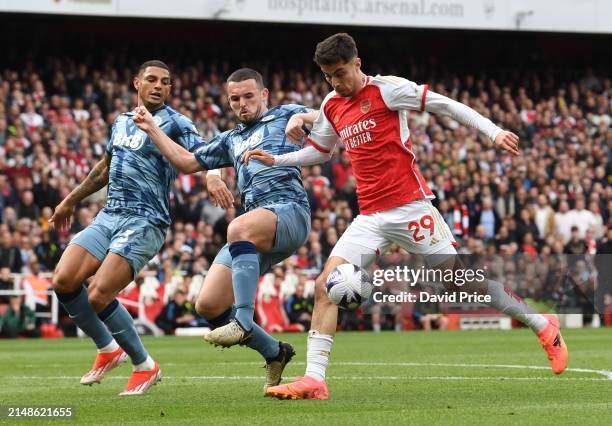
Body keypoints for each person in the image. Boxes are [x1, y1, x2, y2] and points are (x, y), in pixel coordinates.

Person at [245, 33, 567, 400]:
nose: (336, 82)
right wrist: (279, 159)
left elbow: (446, 106)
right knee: (325, 286)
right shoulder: (332, 104)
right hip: (370, 216)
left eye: (341, 73)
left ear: (357, 64)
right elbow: (319, 152)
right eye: (328, 76)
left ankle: (542, 323)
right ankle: (315, 380)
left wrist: (492, 132)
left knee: (462, 282)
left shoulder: (388, 90)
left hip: (411, 207)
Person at [132, 68, 312, 394]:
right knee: (208, 306)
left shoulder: (285, 115)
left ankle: (243, 320)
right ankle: (275, 352)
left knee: (237, 226)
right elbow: (187, 161)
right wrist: (154, 130)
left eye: (248, 96)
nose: (242, 104)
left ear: (264, 95)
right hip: (255, 230)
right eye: (235, 99)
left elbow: (327, 114)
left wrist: (304, 119)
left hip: (290, 213)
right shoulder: (232, 139)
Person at [50, 60, 202, 396]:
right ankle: (108, 349)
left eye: (165, 81)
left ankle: (145, 365)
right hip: (109, 214)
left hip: (146, 219)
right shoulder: (121, 122)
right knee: (63, 280)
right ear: (137, 83)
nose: (158, 86)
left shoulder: (176, 123)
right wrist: (69, 200)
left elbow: (202, 154)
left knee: (100, 292)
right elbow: (104, 169)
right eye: (151, 80)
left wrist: (216, 176)